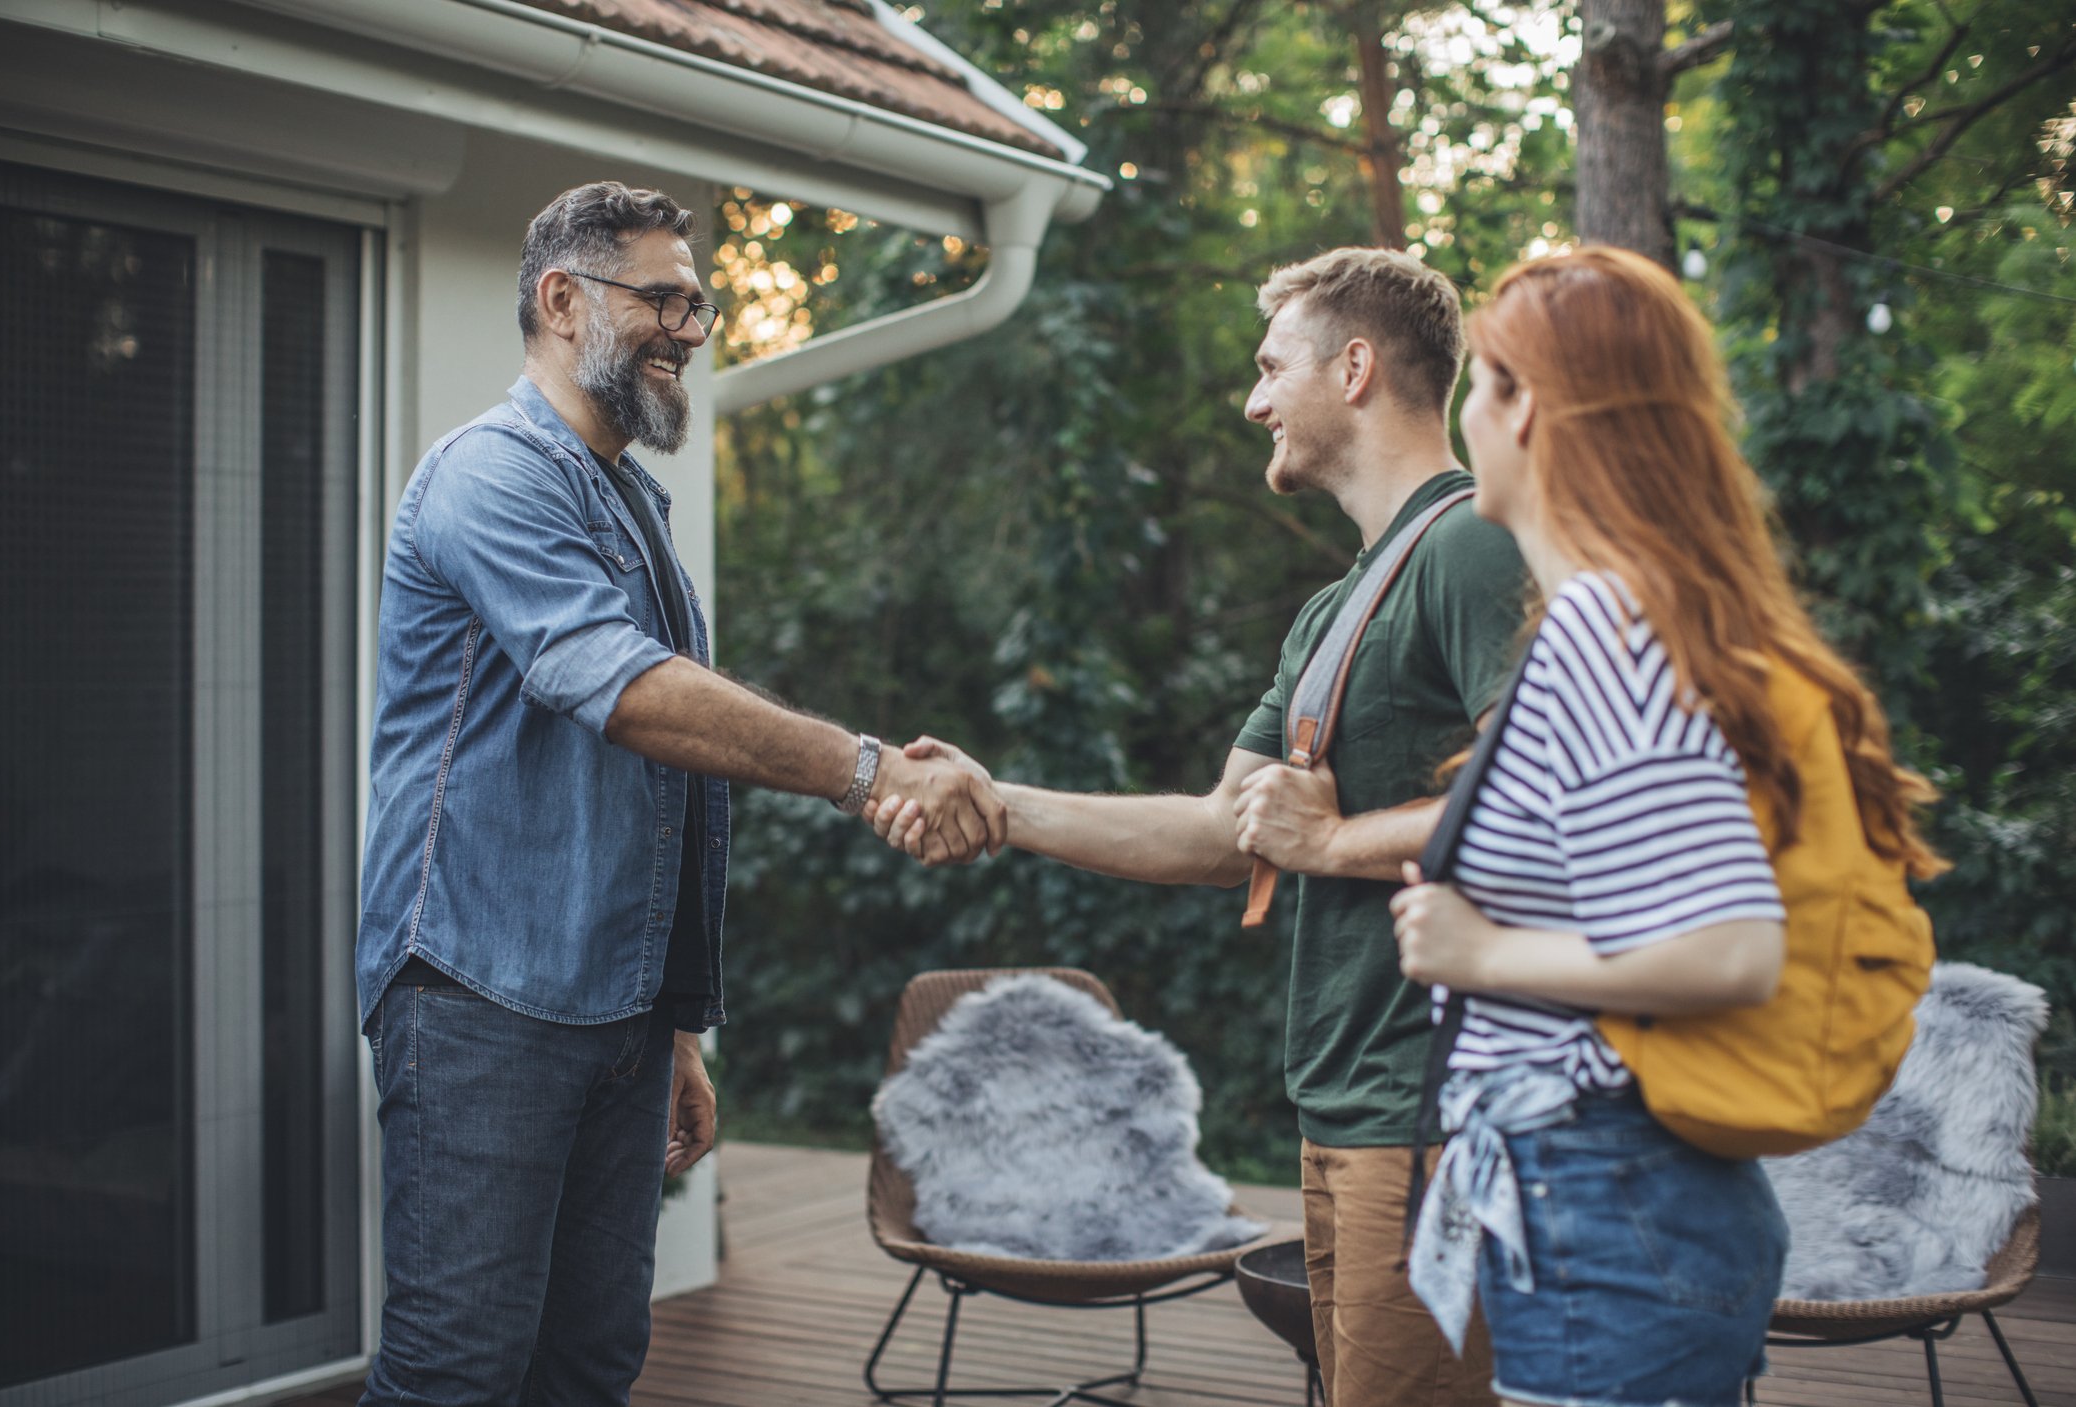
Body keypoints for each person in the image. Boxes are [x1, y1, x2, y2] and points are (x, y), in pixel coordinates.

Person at [355, 181, 1004, 1406]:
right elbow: (625, 691)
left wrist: (675, 1027)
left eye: (697, 304)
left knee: (592, 1360)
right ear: (560, 300)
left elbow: (654, 797)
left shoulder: (625, 501)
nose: (690, 329)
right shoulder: (488, 476)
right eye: (659, 297)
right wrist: (864, 768)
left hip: (614, 1013)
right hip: (481, 998)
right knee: (458, 1368)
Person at [873, 248, 1526, 1407]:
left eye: (1274, 367)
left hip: (1433, 1106)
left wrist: (1331, 845)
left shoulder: (1471, 545)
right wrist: (997, 802)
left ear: (1357, 367)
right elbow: (1228, 835)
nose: (1254, 399)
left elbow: (1536, 799)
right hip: (1342, 1108)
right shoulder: (1338, 606)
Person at [1389, 246, 1945, 1407]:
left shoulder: (1605, 617)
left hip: (1605, 1198)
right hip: (1626, 1203)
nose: (1463, 420)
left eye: (1477, 384)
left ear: (1524, 405)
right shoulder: (1652, 615)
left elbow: (1726, 948)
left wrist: (1479, 953)